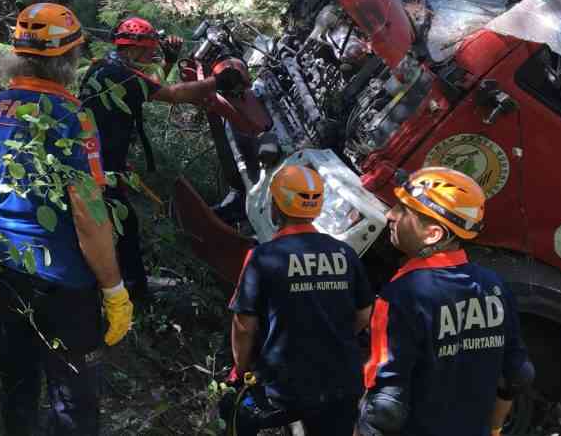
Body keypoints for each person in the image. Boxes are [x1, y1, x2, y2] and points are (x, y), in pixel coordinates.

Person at [0, 2, 133, 436]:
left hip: (2, 267)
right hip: (61, 281)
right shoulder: (71, 118)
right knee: (73, 398)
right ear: (69, 58)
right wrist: (115, 288)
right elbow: (90, 216)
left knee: (17, 384)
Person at [358, 167, 535, 436]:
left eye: (403, 210)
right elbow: (517, 375)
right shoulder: (494, 286)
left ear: (433, 234)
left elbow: (385, 410)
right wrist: (495, 429)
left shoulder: (400, 297)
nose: (390, 215)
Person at [78, 15, 238, 301]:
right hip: (98, 166)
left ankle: (120, 284)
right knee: (121, 227)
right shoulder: (119, 75)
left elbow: (147, 88)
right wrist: (219, 81)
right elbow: (172, 94)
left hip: (96, 160)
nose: (153, 54)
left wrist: (169, 61)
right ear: (135, 49)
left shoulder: (108, 68)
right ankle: (130, 290)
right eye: (151, 50)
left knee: (117, 225)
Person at [224, 164, 373, 436]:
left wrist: (240, 371)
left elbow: (244, 326)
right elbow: (364, 314)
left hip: (284, 386)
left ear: (275, 205)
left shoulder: (264, 257)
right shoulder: (345, 253)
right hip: (341, 382)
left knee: (234, 412)